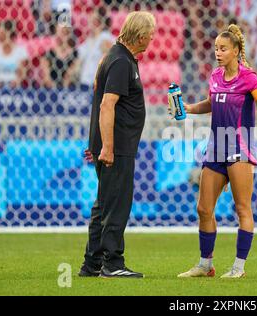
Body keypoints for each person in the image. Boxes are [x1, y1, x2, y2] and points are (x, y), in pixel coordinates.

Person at [177, 24, 257, 279]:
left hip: (240, 147)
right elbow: (212, 103)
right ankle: (205, 265)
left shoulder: (249, 77)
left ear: (236, 51)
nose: (218, 52)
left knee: (242, 208)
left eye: (223, 49)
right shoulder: (215, 76)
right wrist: (188, 108)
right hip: (215, 147)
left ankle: (238, 268)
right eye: (216, 48)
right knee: (203, 209)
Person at [80, 11, 156, 279]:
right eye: (150, 34)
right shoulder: (121, 62)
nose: (152, 38)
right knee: (117, 205)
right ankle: (113, 263)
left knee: (104, 203)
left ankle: (92, 264)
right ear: (141, 35)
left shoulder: (116, 57)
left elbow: (97, 91)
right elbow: (106, 104)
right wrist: (108, 147)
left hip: (113, 143)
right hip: (116, 145)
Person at [78, 7, 115, 87]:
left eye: (94, 20)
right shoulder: (89, 40)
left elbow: (110, 52)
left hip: (98, 83)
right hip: (86, 81)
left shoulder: (104, 36)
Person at [0, 20, 29, 88]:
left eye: (0, 31)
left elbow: (23, 71)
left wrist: (16, 82)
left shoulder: (21, 50)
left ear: (8, 32)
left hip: (16, 87)